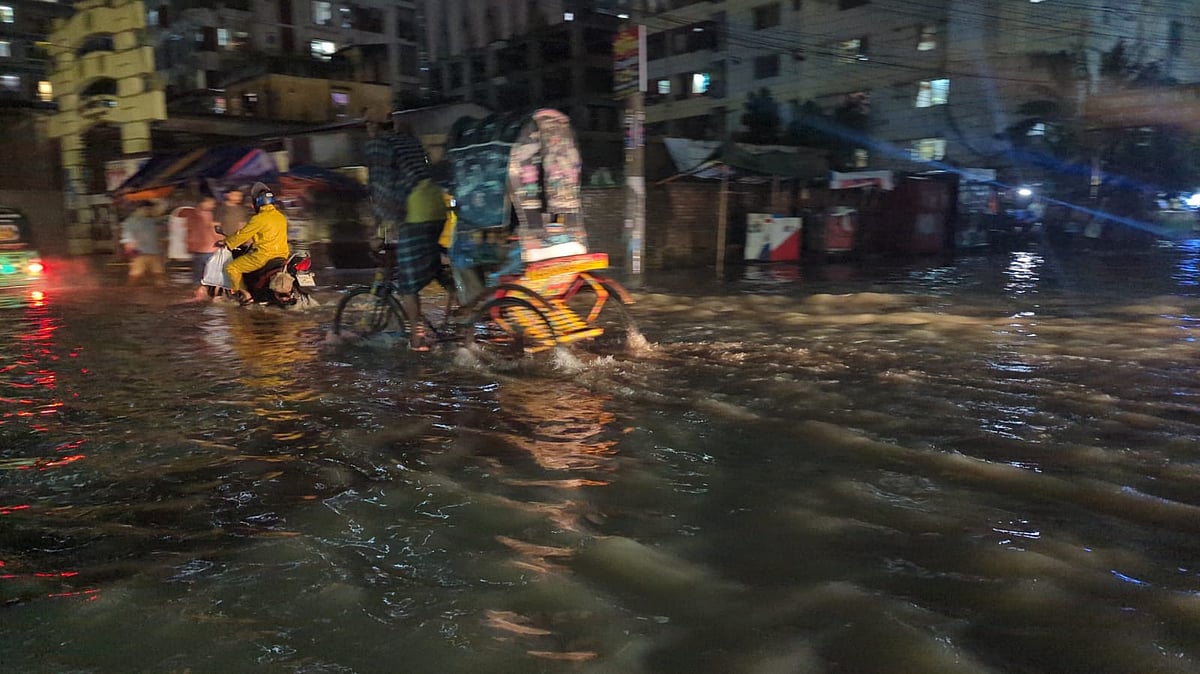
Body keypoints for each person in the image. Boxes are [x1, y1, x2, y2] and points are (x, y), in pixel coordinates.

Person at [395, 177, 448, 351]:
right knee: (435, 265)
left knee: (407, 284)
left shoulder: (383, 149)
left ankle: (417, 338)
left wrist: (379, 231)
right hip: (439, 209)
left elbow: (383, 186)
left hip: (415, 215)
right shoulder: (417, 151)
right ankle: (459, 319)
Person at [223, 182, 289, 305]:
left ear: (257, 203)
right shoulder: (281, 217)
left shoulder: (259, 219)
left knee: (232, 267)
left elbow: (242, 235)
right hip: (282, 256)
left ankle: (245, 295)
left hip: (263, 257)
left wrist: (227, 242)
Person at [120, 201, 168, 287]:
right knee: (135, 276)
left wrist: (155, 199)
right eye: (147, 209)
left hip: (153, 252)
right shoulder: (131, 221)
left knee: (159, 275)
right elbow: (127, 238)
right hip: (139, 253)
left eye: (149, 209)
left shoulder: (151, 220)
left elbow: (163, 206)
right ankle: (129, 293)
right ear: (140, 209)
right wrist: (130, 249)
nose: (149, 211)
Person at [184, 195, 221, 300]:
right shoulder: (208, 215)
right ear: (202, 203)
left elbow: (188, 231)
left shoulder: (192, 215)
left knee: (199, 276)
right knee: (211, 276)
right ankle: (209, 296)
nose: (213, 205)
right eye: (210, 203)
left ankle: (198, 295)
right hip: (209, 249)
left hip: (199, 249)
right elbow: (214, 231)